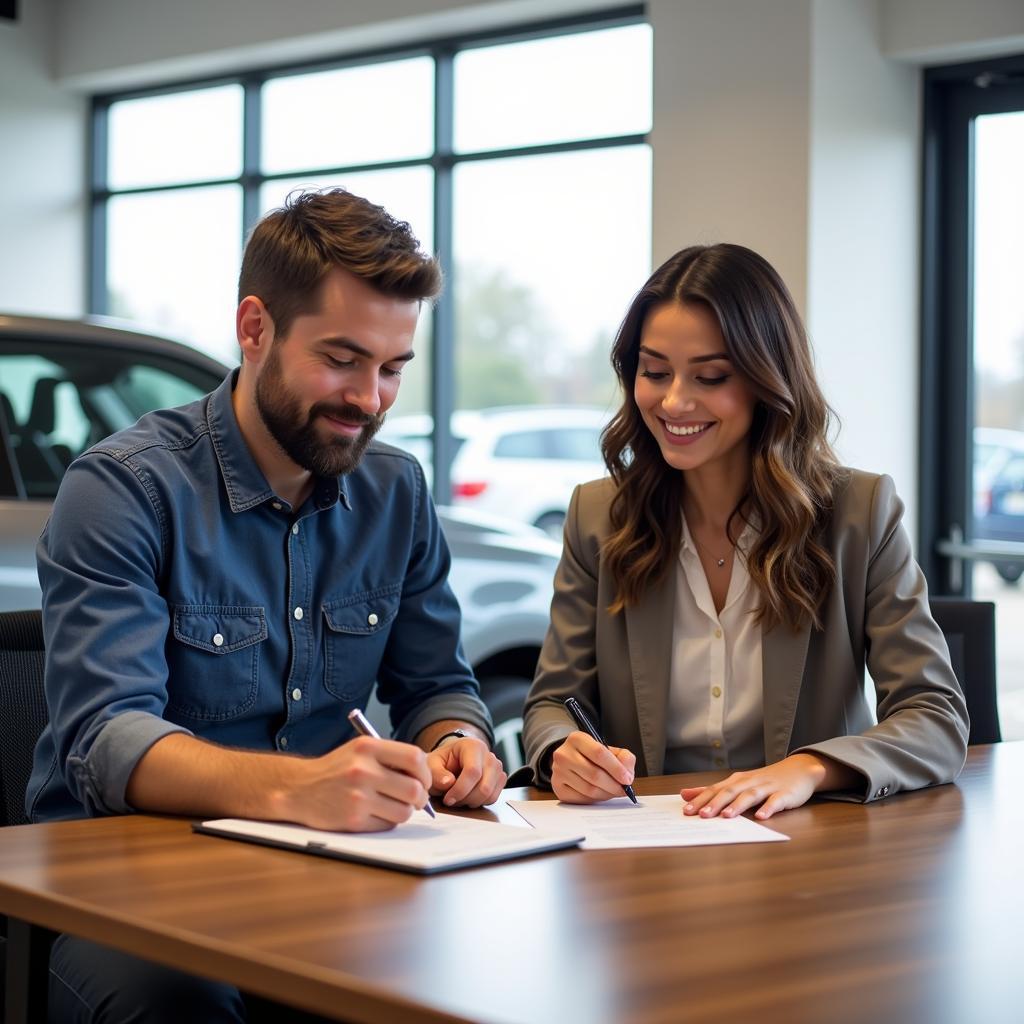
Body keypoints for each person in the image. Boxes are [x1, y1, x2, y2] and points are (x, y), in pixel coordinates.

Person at [29, 188, 505, 1023]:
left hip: (326, 879)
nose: (370, 398)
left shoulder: (397, 492)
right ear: (255, 329)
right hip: (125, 888)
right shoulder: (123, 490)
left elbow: (436, 687)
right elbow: (108, 741)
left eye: (392, 368)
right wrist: (298, 789)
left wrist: (458, 743)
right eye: (342, 359)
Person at [522, 243, 968, 819]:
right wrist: (564, 750)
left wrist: (808, 769)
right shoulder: (597, 515)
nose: (675, 400)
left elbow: (934, 716)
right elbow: (554, 703)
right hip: (650, 843)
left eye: (710, 376)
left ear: (767, 380)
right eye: (654, 372)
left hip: (807, 841)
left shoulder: (859, 512)